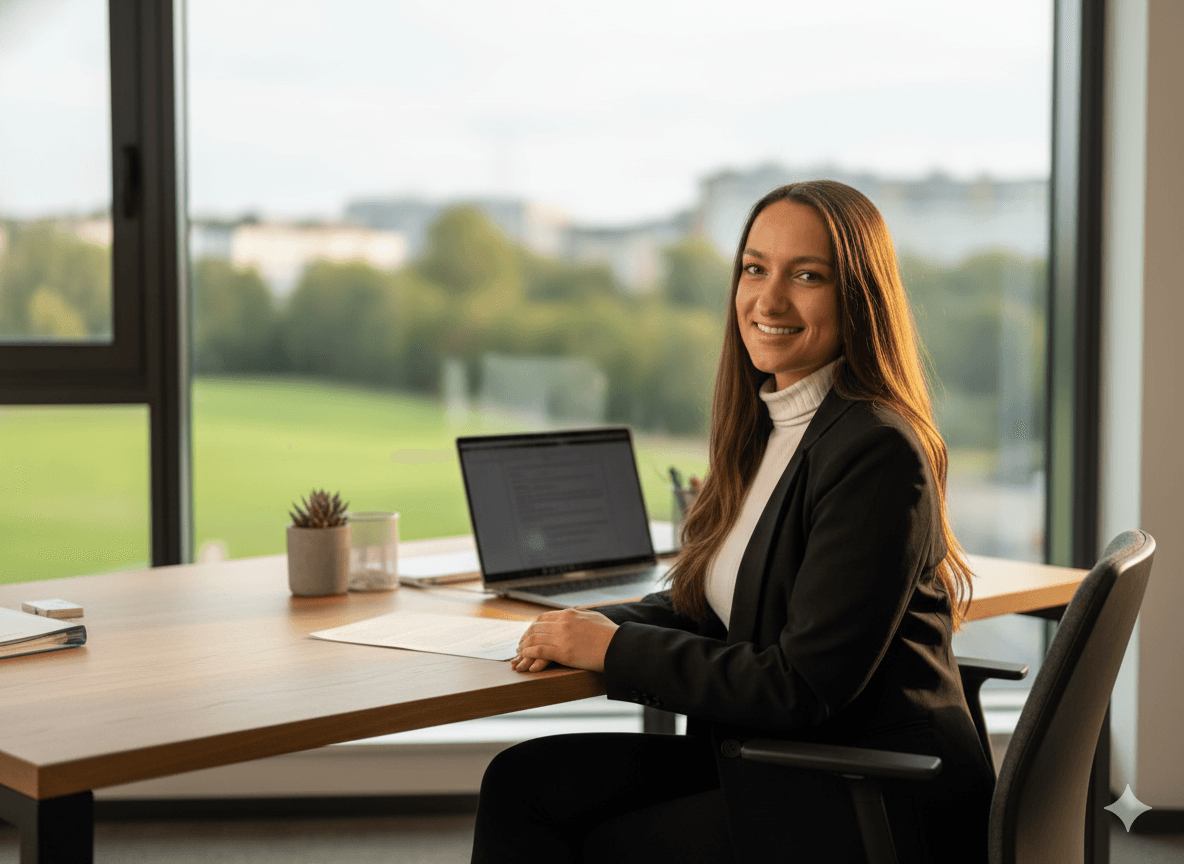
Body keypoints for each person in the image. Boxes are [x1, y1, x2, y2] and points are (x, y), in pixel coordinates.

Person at [469, 180, 995, 864]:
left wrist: (608, 649)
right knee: (523, 783)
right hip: (776, 757)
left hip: (866, 792)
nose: (769, 300)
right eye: (755, 269)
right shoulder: (771, 427)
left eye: (807, 276)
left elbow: (800, 684)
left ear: (858, 298)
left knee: (603, 845)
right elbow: (722, 609)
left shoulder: (876, 450)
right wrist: (584, 625)